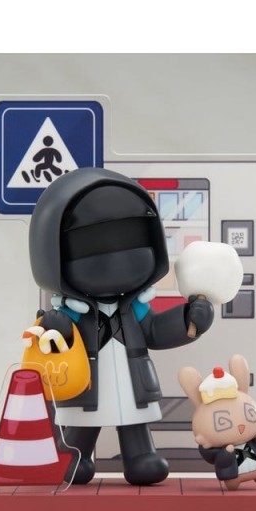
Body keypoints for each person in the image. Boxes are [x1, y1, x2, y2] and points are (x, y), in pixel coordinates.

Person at [28, 167, 214, 485]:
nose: (116, 257)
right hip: (86, 385)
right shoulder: (73, 312)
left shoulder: (135, 309)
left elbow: (155, 330)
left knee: (134, 419)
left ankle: (140, 456)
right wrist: (56, 328)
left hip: (132, 383)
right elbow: (53, 343)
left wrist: (188, 320)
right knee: (83, 421)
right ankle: (75, 455)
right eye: (90, 244)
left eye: (131, 239)